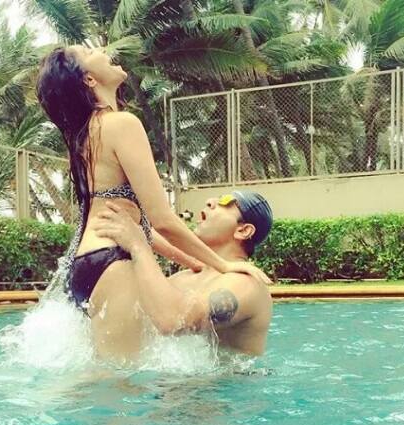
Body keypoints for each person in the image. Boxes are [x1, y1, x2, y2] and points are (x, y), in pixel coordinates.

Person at [36, 45, 270, 360]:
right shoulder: (121, 124)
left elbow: (138, 227)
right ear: (89, 79)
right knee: (122, 379)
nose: (103, 50)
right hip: (113, 262)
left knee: (100, 373)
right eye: (91, 52)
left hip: (85, 262)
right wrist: (225, 265)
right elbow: (162, 220)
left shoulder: (83, 136)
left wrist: (189, 261)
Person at [91, 191, 274, 356]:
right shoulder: (185, 277)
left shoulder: (247, 284)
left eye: (226, 202)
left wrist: (138, 246)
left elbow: (172, 321)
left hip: (230, 383)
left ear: (243, 231)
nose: (210, 201)